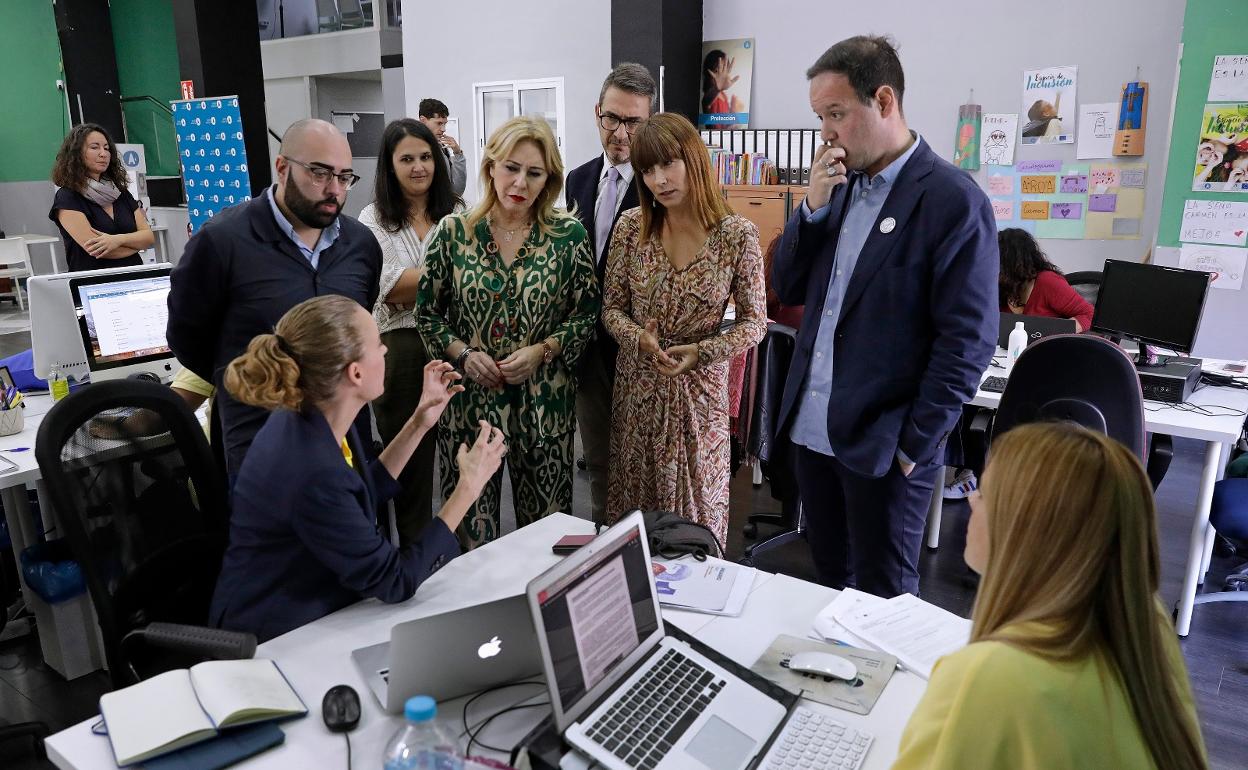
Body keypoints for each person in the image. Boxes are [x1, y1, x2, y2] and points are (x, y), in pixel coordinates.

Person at [772, 36, 998, 597]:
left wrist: (912, 448)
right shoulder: (841, 188)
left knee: (884, 598)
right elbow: (786, 285)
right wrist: (812, 207)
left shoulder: (952, 200)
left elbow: (967, 343)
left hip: (885, 446)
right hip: (814, 431)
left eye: (837, 113)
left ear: (885, 100)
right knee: (828, 584)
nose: (826, 131)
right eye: (820, 116)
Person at [893, 422, 1206, 770]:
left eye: (983, 493)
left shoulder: (989, 676)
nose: (970, 499)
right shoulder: (1147, 624)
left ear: (1022, 529)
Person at [210, 295, 507, 642]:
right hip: (278, 638)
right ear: (355, 373)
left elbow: (360, 492)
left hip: (316, 611)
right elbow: (396, 581)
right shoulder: (312, 469)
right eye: (379, 344)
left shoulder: (314, 413)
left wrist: (419, 422)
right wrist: (468, 486)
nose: (384, 352)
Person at [417, 116, 599, 548]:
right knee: (468, 536)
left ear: (548, 179)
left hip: (544, 408)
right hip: (469, 409)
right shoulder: (452, 233)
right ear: (490, 167)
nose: (520, 181)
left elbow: (587, 312)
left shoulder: (568, 236)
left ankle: (544, 616)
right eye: (511, 167)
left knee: (549, 536)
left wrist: (544, 350)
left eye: (534, 172)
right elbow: (428, 315)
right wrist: (462, 354)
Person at [167, 118, 382, 476]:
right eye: (319, 173)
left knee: (350, 523)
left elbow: (360, 321)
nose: (334, 190)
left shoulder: (360, 245)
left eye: (344, 177)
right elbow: (188, 338)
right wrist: (254, 383)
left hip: (344, 435)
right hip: (258, 436)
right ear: (282, 168)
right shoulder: (222, 242)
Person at [602, 113, 766, 546]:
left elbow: (755, 323)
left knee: (696, 515)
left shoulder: (736, 235)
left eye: (668, 164)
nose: (659, 179)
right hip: (638, 388)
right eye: (648, 169)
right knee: (634, 517)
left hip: (699, 395)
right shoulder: (631, 228)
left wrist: (703, 350)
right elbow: (612, 309)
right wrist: (639, 337)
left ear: (693, 158)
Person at [359, 119, 463, 547]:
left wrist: (419, 282)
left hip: (455, 346)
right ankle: (417, 556)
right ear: (390, 165)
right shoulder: (373, 219)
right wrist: (453, 274)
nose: (419, 167)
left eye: (425, 157)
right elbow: (390, 289)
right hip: (400, 352)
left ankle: (459, 550)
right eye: (407, 159)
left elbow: (412, 284)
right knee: (411, 463)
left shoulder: (457, 211)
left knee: (460, 455)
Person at [566, 62, 656, 523]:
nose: (621, 133)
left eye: (634, 122)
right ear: (597, 112)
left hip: (640, 352)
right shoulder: (577, 180)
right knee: (599, 461)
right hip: (589, 351)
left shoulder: (660, 187)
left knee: (643, 469)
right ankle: (607, 551)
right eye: (613, 119)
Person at [49, 123, 155, 272]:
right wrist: (134, 243)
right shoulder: (68, 197)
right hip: (93, 283)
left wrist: (118, 240)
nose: (103, 153)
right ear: (76, 153)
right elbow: (97, 249)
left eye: (106, 148)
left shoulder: (121, 193)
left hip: (134, 276)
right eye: (94, 147)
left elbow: (148, 238)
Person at [998, 227, 1094, 332]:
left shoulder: (1047, 281)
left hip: (1050, 347)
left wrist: (1052, 334)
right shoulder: (1001, 287)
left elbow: (1090, 314)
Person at [418, 98, 467, 196]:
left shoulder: (442, 148)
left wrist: (458, 154)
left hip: (445, 209)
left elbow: (456, 191)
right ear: (423, 121)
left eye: (445, 124)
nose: (443, 129)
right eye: (439, 123)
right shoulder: (413, 149)